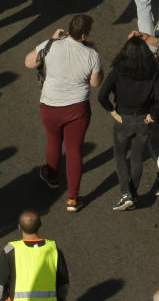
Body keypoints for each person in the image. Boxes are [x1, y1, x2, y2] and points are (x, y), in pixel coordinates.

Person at [25, 15, 103, 213]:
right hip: (77, 108)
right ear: (84, 35)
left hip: (50, 105)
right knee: (74, 151)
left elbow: (29, 62)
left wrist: (51, 40)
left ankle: (51, 176)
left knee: (53, 140)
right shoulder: (92, 55)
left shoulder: (51, 45)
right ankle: (73, 199)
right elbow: (95, 83)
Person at [98, 33, 159, 212]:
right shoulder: (151, 72)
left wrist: (112, 111)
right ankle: (134, 193)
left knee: (121, 156)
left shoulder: (118, 71)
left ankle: (125, 193)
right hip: (143, 120)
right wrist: (152, 115)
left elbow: (102, 95)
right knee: (137, 158)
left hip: (123, 119)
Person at [0, 212, 71, 300]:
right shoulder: (54, 249)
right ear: (40, 225)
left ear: (19, 227)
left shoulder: (10, 250)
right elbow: (64, 286)